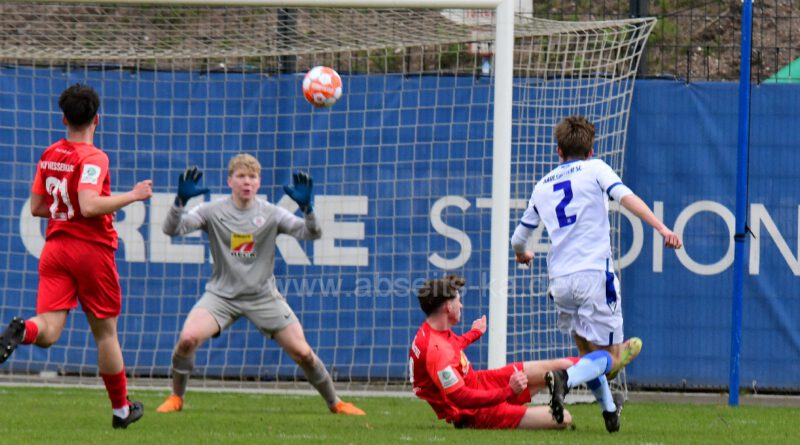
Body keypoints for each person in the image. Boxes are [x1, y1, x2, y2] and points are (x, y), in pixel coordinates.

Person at [155, 154, 365, 416]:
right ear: (229, 180)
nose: (247, 182)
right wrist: (179, 202)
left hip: (263, 297)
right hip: (221, 296)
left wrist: (308, 210)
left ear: (259, 182)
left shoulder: (271, 214)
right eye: (241, 176)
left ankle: (336, 403)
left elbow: (312, 234)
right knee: (187, 339)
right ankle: (176, 397)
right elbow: (170, 229)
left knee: (303, 353)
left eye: (252, 177)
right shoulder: (212, 211)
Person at [510, 115, 682, 432]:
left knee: (587, 353)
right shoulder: (597, 168)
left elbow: (518, 239)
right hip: (593, 276)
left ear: (558, 150)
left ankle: (608, 411)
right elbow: (625, 197)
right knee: (611, 358)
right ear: (591, 151)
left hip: (560, 281)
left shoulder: (542, 185)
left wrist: (523, 255)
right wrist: (661, 227)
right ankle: (565, 379)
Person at [0, 83, 152, 429]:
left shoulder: (50, 153)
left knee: (48, 332)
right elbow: (89, 204)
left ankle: (22, 330)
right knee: (106, 334)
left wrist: (63, 209)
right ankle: (120, 410)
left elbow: (38, 206)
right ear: (97, 119)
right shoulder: (94, 157)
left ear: (63, 118)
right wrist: (132, 195)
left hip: (55, 249)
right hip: (91, 251)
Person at [409, 274, 576, 430]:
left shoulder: (434, 330)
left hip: (481, 382)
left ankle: (596, 369)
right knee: (563, 418)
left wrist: (475, 333)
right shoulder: (436, 351)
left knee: (561, 366)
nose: (461, 305)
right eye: (458, 301)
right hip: (474, 411)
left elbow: (452, 346)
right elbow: (460, 397)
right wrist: (508, 391)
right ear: (448, 306)